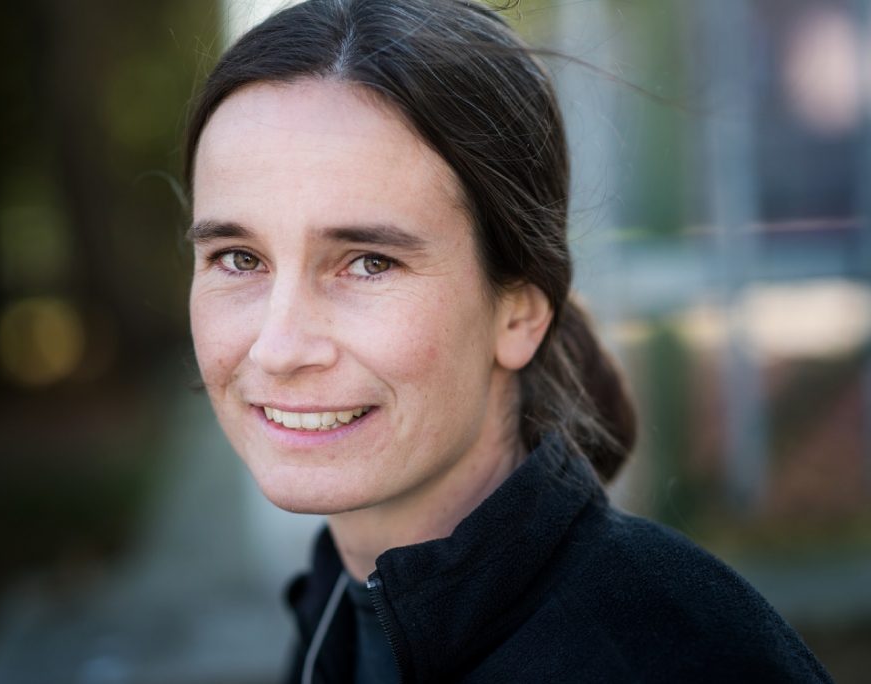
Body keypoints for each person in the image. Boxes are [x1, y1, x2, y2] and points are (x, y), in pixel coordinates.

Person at [183, 1, 833, 682]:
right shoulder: (336, 619)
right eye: (239, 259)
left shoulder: (676, 660)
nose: (279, 348)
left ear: (519, 313)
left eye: (370, 263)